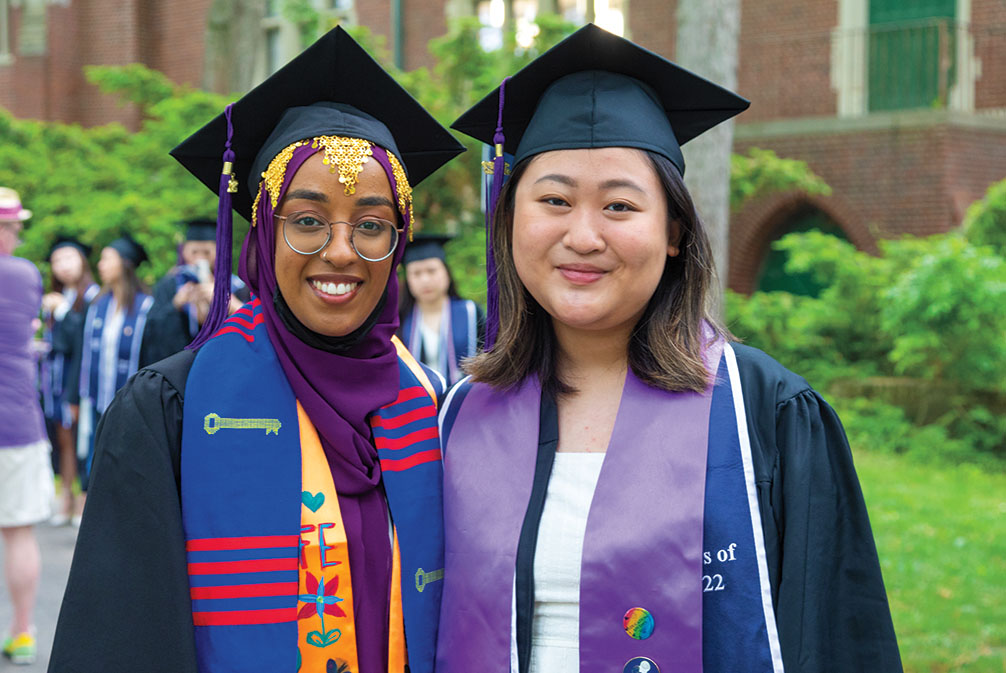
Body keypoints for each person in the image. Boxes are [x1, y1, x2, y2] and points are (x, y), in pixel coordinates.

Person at [436, 25, 902, 673]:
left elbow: (837, 641)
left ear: (675, 230)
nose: (584, 234)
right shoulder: (461, 416)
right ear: (511, 218)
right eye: (554, 200)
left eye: (621, 205)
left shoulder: (765, 415)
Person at [49, 26, 464, 673]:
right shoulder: (172, 410)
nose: (341, 251)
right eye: (306, 219)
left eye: (373, 225)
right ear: (262, 231)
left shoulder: (436, 405)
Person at [0, 187, 55, 666]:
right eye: (14, 227)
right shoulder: (23, 275)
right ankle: (21, 632)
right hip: (16, 420)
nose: (18, 235)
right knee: (17, 532)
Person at [75, 232, 155, 491]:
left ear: (125, 263)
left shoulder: (146, 308)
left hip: (129, 403)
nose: (100, 264)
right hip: (98, 401)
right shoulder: (97, 305)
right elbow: (82, 353)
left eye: (107, 259)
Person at [39, 235, 98, 526]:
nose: (62, 266)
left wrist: (62, 311)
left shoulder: (92, 296)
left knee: (80, 440)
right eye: (56, 261)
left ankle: (81, 503)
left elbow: (79, 341)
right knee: (63, 440)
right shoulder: (56, 297)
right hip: (56, 382)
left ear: (82, 262)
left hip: (81, 381)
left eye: (68, 258)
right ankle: (66, 499)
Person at [144, 218, 249, 363]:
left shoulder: (236, 286)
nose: (200, 257)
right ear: (184, 251)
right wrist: (175, 305)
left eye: (207, 252)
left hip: (223, 361)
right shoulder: (170, 285)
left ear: (219, 251)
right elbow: (151, 332)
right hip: (179, 366)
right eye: (194, 252)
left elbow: (252, 328)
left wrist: (226, 302)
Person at [398, 233, 483, 385]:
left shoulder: (470, 312)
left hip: (466, 401)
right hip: (419, 404)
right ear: (408, 279)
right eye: (416, 273)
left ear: (446, 272)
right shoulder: (399, 320)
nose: (425, 280)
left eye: (431, 271)